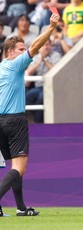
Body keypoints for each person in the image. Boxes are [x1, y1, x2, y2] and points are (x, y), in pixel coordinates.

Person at [0, 12, 60, 217]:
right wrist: (50, 28)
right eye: (20, 50)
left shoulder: (1, 68)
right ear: (9, 52)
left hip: (0, 122)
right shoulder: (15, 65)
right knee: (20, 167)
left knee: (15, 166)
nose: (25, 53)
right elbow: (35, 47)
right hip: (14, 120)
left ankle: (21, 208)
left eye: (24, 49)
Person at [25, 39, 62, 123]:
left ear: (51, 46)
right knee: (26, 98)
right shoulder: (35, 57)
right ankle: (38, 117)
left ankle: (38, 122)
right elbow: (29, 72)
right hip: (38, 87)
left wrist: (45, 61)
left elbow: (56, 71)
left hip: (51, 86)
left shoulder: (56, 55)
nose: (45, 47)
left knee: (41, 98)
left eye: (47, 45)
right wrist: (39, 61)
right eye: (43, 45)